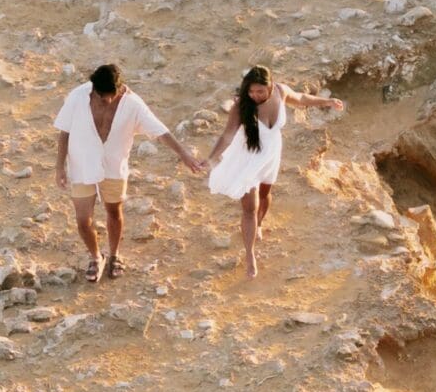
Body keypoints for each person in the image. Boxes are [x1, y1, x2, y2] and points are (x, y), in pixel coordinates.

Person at [55, 63, 205, 281]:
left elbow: (160, 131)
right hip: (82, 165)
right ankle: (96, 257)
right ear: (93, 88)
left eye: (109, 97)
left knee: (114, 212)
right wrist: (59, 166)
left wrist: (184, 154)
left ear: (119, 89)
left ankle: (114, 255)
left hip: (114, 166)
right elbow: (64, 131)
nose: (105, 101)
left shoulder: (133, 104)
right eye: (100, 97)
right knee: (82, 220)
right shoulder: (77, 96)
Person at [206, 65, 344, 278]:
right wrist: (211, 158)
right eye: (251, 91)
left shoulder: (281, 91)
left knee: (265, 194)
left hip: (271, 153)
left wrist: (327, 101)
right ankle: (250, 255)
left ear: (270, 86)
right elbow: (227, 135)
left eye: (260, 91)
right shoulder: (241, 105)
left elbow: (301, 98)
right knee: (249, 208)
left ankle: (260, 224)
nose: (255, 95)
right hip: (248, 158)